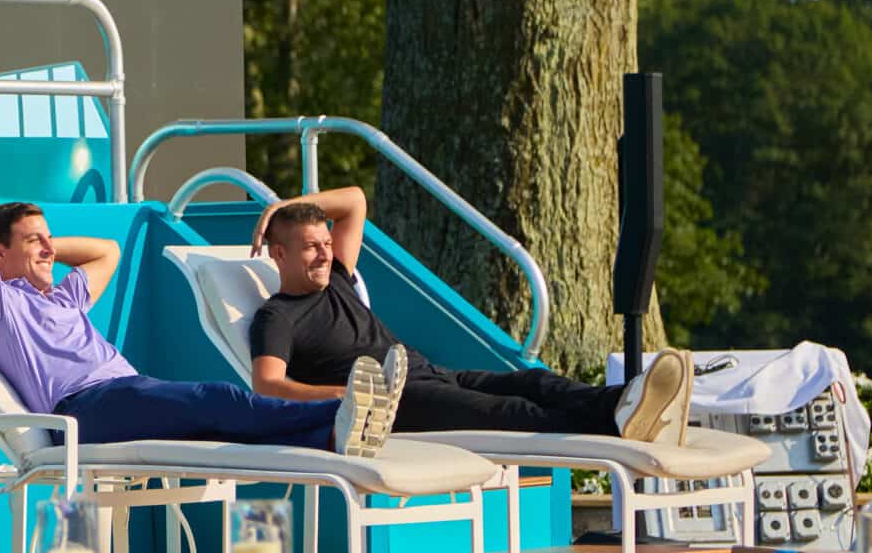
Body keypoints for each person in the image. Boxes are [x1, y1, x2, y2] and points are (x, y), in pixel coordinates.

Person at [246, 186, 693, 442]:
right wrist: (352, 395)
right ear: (280, 253)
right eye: (310, 247)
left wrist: (281, 207)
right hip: (395, 401)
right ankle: (622, 428)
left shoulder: (337, 275)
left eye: (326, 243)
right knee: (508, 411)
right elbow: (268, 384)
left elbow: (355, 201)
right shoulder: (278, 317)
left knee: (534, 381)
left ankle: (626, 402)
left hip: (428, 374)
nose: (324, 253)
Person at [0, 201, 397, 454]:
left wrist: (40, 248)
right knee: (217, 398)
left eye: (51, 239)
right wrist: (23, 256)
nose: (49, 250)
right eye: (34, 240)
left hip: (127, 391)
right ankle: (343, 410)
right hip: (82, 409)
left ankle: (333, 435)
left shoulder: (62, 296)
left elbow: (107, 252)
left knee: (218, 424)